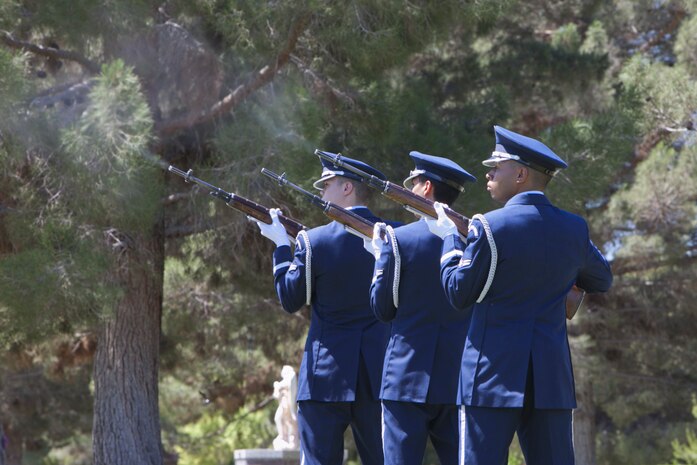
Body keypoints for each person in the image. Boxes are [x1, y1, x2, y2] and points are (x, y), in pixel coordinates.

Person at [427, 125, 613, 465]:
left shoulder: (489, 225)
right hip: (551, 381)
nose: (489, 172)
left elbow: (457, 291)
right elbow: (601, 278)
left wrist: (450, 240)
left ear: (521, 174)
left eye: (497, 165)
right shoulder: (574, 228)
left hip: (489, 378)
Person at [252, 154, 392, 465]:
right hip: (380, 373)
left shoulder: (313, 241)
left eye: (326, 185)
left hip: (325, 374)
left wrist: (281, 246)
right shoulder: (397, 236)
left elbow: (290, 299)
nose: (321, 192)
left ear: (347, 189)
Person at [367, 151, 476, 465]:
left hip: (405, 377)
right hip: (457, 378)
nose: (410, 191)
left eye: (413, 184)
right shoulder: (473, 242)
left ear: (426, 188)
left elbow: (383, 308)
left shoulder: (397, 240)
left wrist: (379, 261)